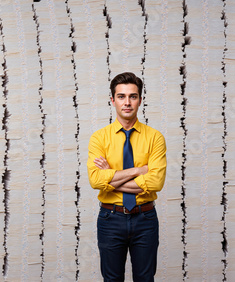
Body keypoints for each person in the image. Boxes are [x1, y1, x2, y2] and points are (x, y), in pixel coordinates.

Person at [87, 72, 167, 281]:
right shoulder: (99, 138)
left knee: (145, 279)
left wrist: (110, 179)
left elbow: (156, 182)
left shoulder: (155, 137)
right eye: (121, 96)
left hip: (145, 218)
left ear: (140, 100)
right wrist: (138, 170)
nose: (127, 102)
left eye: (133, 96)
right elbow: (96, 181)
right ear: (112, 100)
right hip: (110, 218)